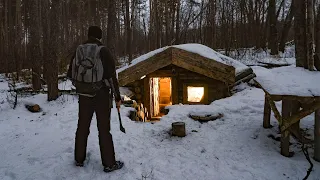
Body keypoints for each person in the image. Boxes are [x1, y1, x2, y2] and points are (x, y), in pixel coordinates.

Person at [67, 26, 124, 173]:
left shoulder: (79, 50)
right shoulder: (103, 50)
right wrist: (117, 96)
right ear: (100, 36)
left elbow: (70, 73)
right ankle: (109, 163)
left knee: (82, 127)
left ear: (88, 35)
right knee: (104, 129)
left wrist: (83, 84)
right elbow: (112, 76)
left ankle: (79, 159)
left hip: (84, 95)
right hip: (101, 95)